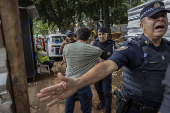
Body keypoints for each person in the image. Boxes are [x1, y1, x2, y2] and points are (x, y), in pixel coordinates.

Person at [37, 1, 170, 113]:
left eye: (163, 16)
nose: (160, 19)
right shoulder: (130, 48)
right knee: (96, 96)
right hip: (128, 101)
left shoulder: (71, 47)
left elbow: (64, 58)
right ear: (142, 25)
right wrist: (78, 83)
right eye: (154, 17)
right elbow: (106, 64)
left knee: (102, 94)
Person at [62, 27, 102, 113]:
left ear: (76, 36)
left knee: (68, 109)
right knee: (86, 109)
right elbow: (100, 60)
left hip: (68, 82)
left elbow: (64, 60)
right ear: (88, 39)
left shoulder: (66, 47)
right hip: (83, 82)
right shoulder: (93, 49)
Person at [92, 27, 115, 113]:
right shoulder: (95, 43)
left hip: (106, 72)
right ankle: (102, 102)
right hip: (96, 72)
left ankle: (108, 110)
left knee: (107, 91)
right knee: (98, 88)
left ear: (107, 34)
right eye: (99, 34)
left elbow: (115, 57)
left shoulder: (112, 44)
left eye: (103, 34)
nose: (101, 36)